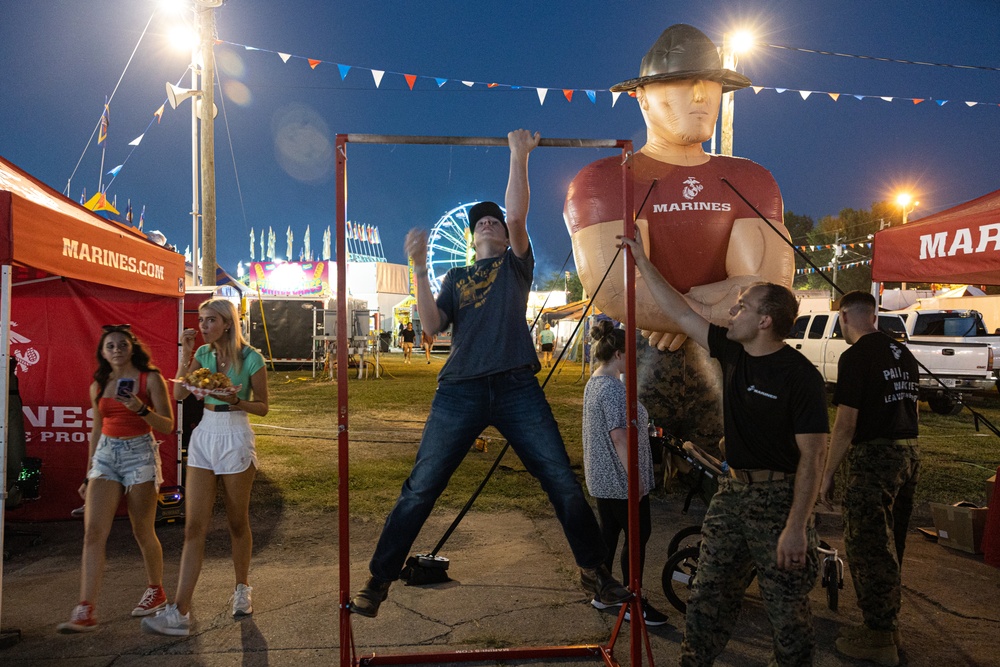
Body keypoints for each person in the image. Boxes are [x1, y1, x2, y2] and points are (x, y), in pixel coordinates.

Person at [350, 129, 630, 618]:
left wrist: (519, 155)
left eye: (493, 222)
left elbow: (517, 215)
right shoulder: (455, 277)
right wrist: (417, 267)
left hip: (516, 385)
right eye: (480, 223)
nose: (486, 225)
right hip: (459, 390)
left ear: (504, 235)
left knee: (561, 479)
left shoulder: (515, 267)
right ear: (471, 237)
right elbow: (434, 327)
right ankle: (378, 579)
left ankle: (595, 571)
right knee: (421, 486)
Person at [564, 24, 795, 448]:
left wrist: (680, 319)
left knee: (731, 471)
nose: (703, 96)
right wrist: (712, 312)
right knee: (632, 477)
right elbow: (619, 291)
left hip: (729, 370)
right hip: (647, 363)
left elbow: (768, 290)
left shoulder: (752, 180)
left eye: (709, 83)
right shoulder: (606, 181)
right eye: (684, 84)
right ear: (642, 96)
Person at [618, 231, 828, 666]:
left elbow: (814, 457)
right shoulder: (733, 352)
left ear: (766, 320)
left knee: (787, 615)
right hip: (730, 495)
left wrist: (796, 526)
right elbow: (677, 308)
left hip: (779, 503)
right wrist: (641, 258)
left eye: (743, 307)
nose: (733, 311)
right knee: (708, 597)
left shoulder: (800, 376)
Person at [142, 299, 269, 636]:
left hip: (236, 432)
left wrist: (235, 400)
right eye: (200, 320)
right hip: (205, 434)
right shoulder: (202, 355)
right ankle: (180, 612)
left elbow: (263, 407)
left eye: (210, 320)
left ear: (227, 323)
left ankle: (242, 588)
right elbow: (181, 395)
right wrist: (185, 355)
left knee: (236, 522)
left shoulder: (252, 357)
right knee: (193, 526)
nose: (202, 326)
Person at [820, 291, 919, 666]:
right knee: (891, 542)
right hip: (908, 451)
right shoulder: (901, 352)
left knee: (868, 545)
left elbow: (846, 422)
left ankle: (878, 636)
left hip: (875, 456)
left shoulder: (856, 356)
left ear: (845, 316)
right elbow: (911, 409)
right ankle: (888, 625)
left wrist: (827, 473)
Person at [57, 324, 174, 633]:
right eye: (110, 346)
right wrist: (88, 472)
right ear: (103, 353)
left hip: (140, 454)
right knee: (93, 533)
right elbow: (96, 429)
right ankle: (85, 609)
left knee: (142, 530)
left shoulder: (151, 379)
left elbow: (167, 426)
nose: (117, 350)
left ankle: (156, 589)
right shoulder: (100, 384)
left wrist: (140, 408)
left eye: (122, 344)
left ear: (132, 348)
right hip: (106, 456)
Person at [582, 320, 667, 626]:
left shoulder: (595, 383)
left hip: (603, 478)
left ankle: (602, 592)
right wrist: (637, 479)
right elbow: (619, 436)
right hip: (621, 481)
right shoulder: (614, 390)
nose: (635, 360)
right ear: (618, 354)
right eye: (630, 354)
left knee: (609, 534)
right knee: (637, 536)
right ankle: (632, 600)